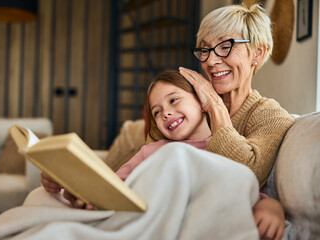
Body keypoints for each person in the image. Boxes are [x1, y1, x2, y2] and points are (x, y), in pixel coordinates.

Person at [42, 70, 285, 240]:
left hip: (196, 223)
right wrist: (75, 187)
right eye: (157, 112)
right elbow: (113, 188)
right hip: (147, 223)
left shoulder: (221, 147)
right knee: (39, 198)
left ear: (202, 100)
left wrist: (272, 207)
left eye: (174, 100)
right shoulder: (152, 151)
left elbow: (237, 185)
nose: (166, 113)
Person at [147, 3, 295, 189]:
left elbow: (247, 173)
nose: (210, 61)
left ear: (258, 53)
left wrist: (214, 106)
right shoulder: (189, 102)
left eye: (225, 46)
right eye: (205, 49)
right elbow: (151, 155)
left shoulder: (271, 116)